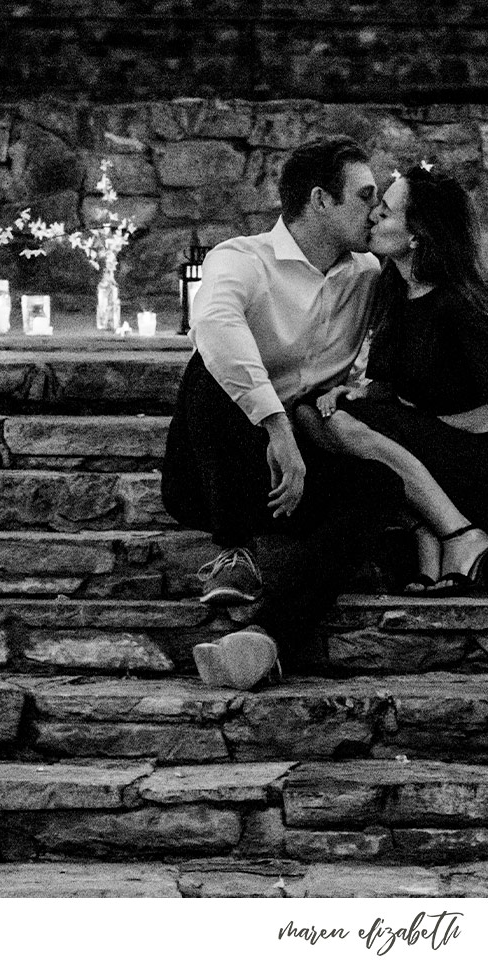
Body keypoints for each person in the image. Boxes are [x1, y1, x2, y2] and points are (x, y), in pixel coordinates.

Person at [161, 135, 405, 690]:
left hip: (288, 482)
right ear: (321, 200)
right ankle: (233, 553)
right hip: (213, 472)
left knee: (379, 487)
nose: (377, 210)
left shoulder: (367, 276)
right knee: (210, 368)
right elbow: (217, 325)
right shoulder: (242, 258)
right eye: (366, 196)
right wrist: (277, 426)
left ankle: (265, 641)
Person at [298, 163, 488, 596]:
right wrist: (363, 391)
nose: (373, 215)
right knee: (310, 412)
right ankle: (425, 528)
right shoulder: (394, 291)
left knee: (340, 421)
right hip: (441, 456)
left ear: (417, 233)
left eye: (386, 212)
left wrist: (426, 428)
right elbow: (405, 382)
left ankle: (459, 534)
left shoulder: (460, 306)